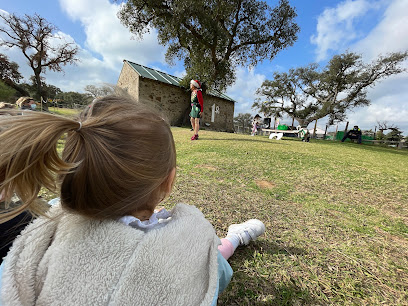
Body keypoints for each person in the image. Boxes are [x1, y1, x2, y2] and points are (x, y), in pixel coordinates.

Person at [0, 95, 265, 305]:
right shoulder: (191, 242)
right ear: (168, 181)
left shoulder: (44, 235)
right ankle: (236, 237)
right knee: (217, 251)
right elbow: (218, 276)